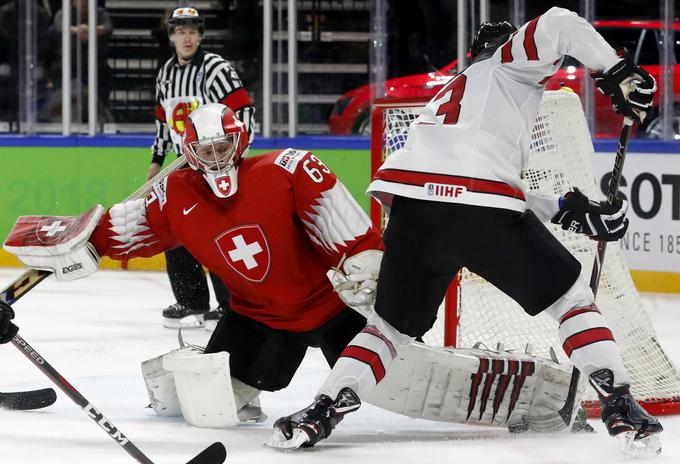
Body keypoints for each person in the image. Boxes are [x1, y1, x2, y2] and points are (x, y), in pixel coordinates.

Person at [269, 7, 663, 453]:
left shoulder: (452, 94)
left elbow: (480, 182)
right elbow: (559, 21)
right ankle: (620, 404)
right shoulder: (507, 65)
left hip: (415, 213)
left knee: (387, 329)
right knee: (571, 299)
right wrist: (616, 70)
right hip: (478, 211)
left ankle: (321, 410)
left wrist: (567, 211)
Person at [3, 102, 383, 424]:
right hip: (259, 320)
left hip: (334, 310)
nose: (216, 157)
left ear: (240, 141)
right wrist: (76, 240)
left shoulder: (288, 170)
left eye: (223, 146)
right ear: (190, 151)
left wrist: (371, 275)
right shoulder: (174, 194)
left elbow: (352, 238)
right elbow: (119, 234)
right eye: (205, 149)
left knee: (396, 381)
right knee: (202, 407)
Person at [149, 7, 256, 329]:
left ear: (201, 35)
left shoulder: (216, 68)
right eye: (180, 31)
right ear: (171, 36)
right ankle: (191, 301)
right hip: (184, 166)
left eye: (193, 31)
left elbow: (244, 113)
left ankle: (230, 304)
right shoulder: (166, 73)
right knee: (176, 230)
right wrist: (157, 160)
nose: (187, 37)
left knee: (220, 232)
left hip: (219, 165)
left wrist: (233, 157)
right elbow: (163, 123)